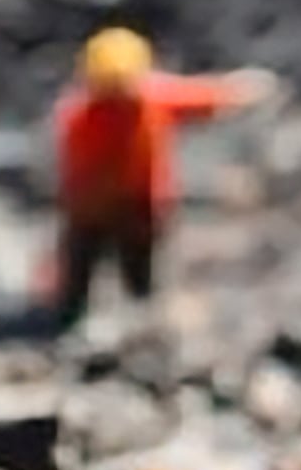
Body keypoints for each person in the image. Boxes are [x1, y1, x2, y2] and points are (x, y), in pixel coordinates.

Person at [49, 24, 277, 328]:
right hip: (91, 211)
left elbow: (198, 97)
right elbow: (74, 173)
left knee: (140, 275)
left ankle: (144, 326)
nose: (121, 93)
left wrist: (238, 90)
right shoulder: (81, 118)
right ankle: (66, 321)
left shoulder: (151, 98)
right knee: (79, 273)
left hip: (140, 207)